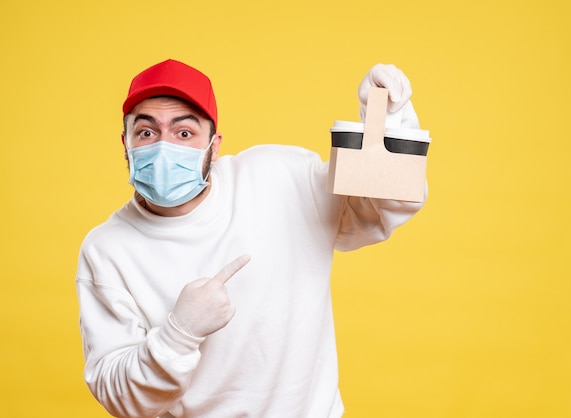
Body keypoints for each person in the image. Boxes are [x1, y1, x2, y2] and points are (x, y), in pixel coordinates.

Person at [76, 59, 428, 418]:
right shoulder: (106, 250)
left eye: (184, 133)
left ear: (214, 146)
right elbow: (121, 399)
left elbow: (379, 209)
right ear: (126, 144)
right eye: (147, 133)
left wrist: (387, 121)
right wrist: (178, 333)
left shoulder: (281, 178)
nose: (164, 147)